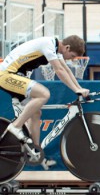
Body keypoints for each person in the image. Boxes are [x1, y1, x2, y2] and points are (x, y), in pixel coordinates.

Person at [0, 35, 90, 168]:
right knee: (44, 94)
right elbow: (59, 71)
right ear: (67, 47)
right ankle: (15, 126)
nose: (70, 60)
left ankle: (35, 153)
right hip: (7, 75)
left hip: (16, 76)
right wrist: (76, 90)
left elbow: (66, 70)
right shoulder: (48, 44)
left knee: (36, 114)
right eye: (71, 56)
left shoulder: (57, 50)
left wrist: (79, 88)